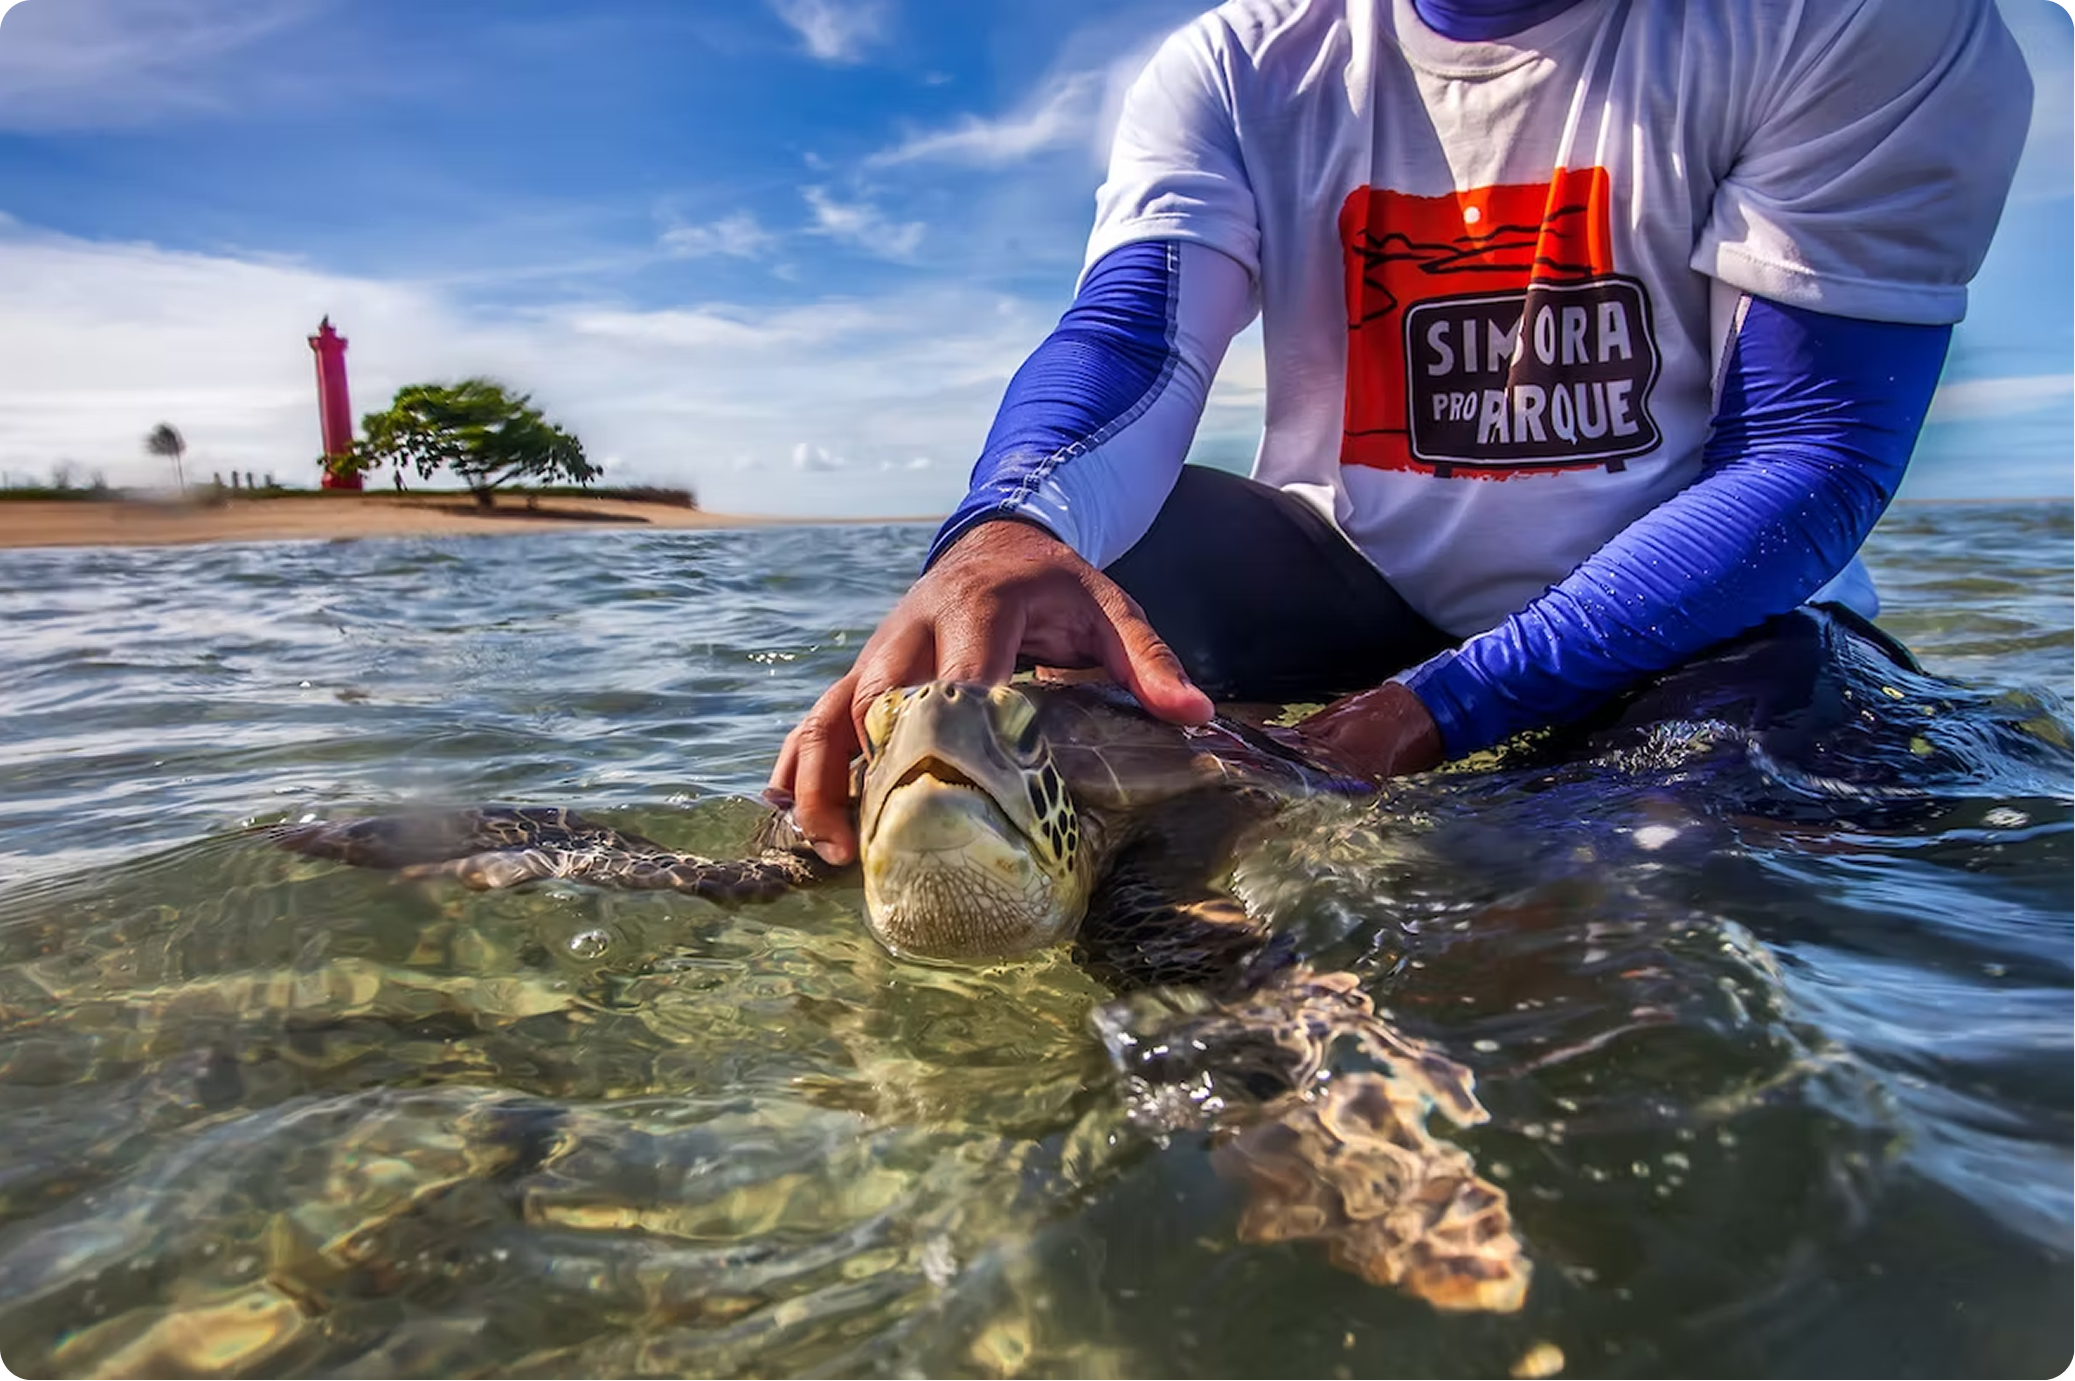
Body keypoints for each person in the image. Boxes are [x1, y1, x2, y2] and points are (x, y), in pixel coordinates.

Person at [769, 0, 2033, 867]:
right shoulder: (1240, 61)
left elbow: (1804, 455)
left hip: (1708, 621)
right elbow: (1132, 343)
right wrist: (999, 533)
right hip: (1353, 583)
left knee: (1651, 875)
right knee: (1068, 599)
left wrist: (1435, 712)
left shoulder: (1855, 23)